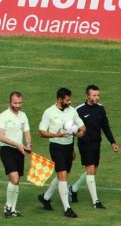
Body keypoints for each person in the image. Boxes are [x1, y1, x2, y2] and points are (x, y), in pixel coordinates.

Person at [37, 88, 85, 219]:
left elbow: (82, 127)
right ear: (59, 99)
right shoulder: (49, 112)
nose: (70, 102)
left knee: (61, 176)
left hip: (69, 147)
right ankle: (67, 208)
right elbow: (41, 132)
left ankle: (45, 197)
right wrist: (56, 134)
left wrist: (79, 133)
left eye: (70, 99)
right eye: (67, 100)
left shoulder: (72, 111)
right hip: (56, 146)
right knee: (63, 176)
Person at [70, 85, 119, 209]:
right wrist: (72, 149)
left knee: (92, 172)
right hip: (85, 144)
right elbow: (72, 130)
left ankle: (73, 189)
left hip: (97, 143)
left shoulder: (101, 109)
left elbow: (105, 126)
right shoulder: (78, 110)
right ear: (87, 95)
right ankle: (95, 201)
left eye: (98, 95)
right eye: (94, 95)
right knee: (90, 171)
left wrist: (112, 142)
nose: (96, 98)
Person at [0, 91, 32, 218]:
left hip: (19, 151)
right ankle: (7, 205)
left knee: (17, 182)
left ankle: (13, 209)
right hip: (7, 150)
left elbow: (27, 132)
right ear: (10, 102)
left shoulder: (23, 115)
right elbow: (0, 136)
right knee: (14, 179)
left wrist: (28, 144)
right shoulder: (3, 116)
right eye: (15, 103)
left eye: (19, 103)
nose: (17, 105)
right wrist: (17, 144)